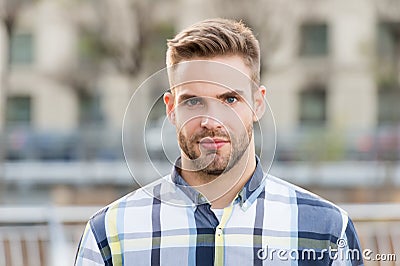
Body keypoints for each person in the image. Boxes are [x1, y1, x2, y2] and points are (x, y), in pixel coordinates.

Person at [75, 18, 363, 265]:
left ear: (258, 104)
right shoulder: (111, 234)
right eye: (193, 101)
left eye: (229, 99)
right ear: (171, 109)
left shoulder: (328, 231)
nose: (211, 120)